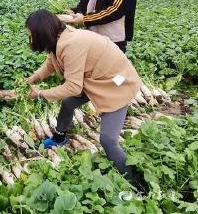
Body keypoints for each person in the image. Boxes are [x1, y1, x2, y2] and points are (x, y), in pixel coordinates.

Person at [26, 9, 141, 183]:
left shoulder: (71, 44)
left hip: (116, 83)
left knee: (108, 140)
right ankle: (59, 138)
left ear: (42, 33)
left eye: (32, 36)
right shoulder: (58, 38)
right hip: (94, 79)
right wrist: (33, 78)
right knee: (69, 103)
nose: (31, 40)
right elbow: (50, 63)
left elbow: (73, 86)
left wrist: (40, 94)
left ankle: (135, 183)